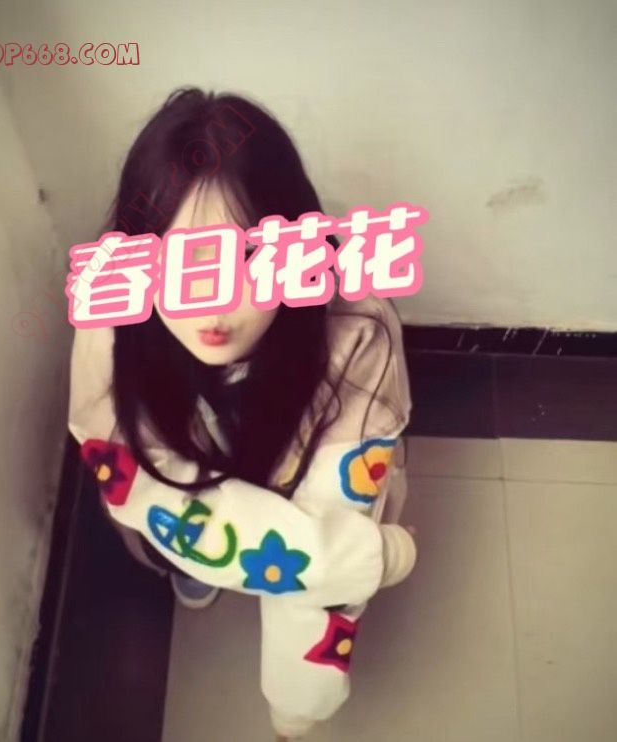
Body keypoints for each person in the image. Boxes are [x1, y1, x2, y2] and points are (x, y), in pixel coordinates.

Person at [67, 86, 418, 740]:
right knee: (171, 538)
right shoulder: (115, 315)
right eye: (181, 265)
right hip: (192, 474)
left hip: (304, 471)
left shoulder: (354, 329)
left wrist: (296, 707)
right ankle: (195, 564)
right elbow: (141, 483)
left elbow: (332, 541)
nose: (213, 305)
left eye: (247, 259)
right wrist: (374, 556)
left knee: (310, 588)